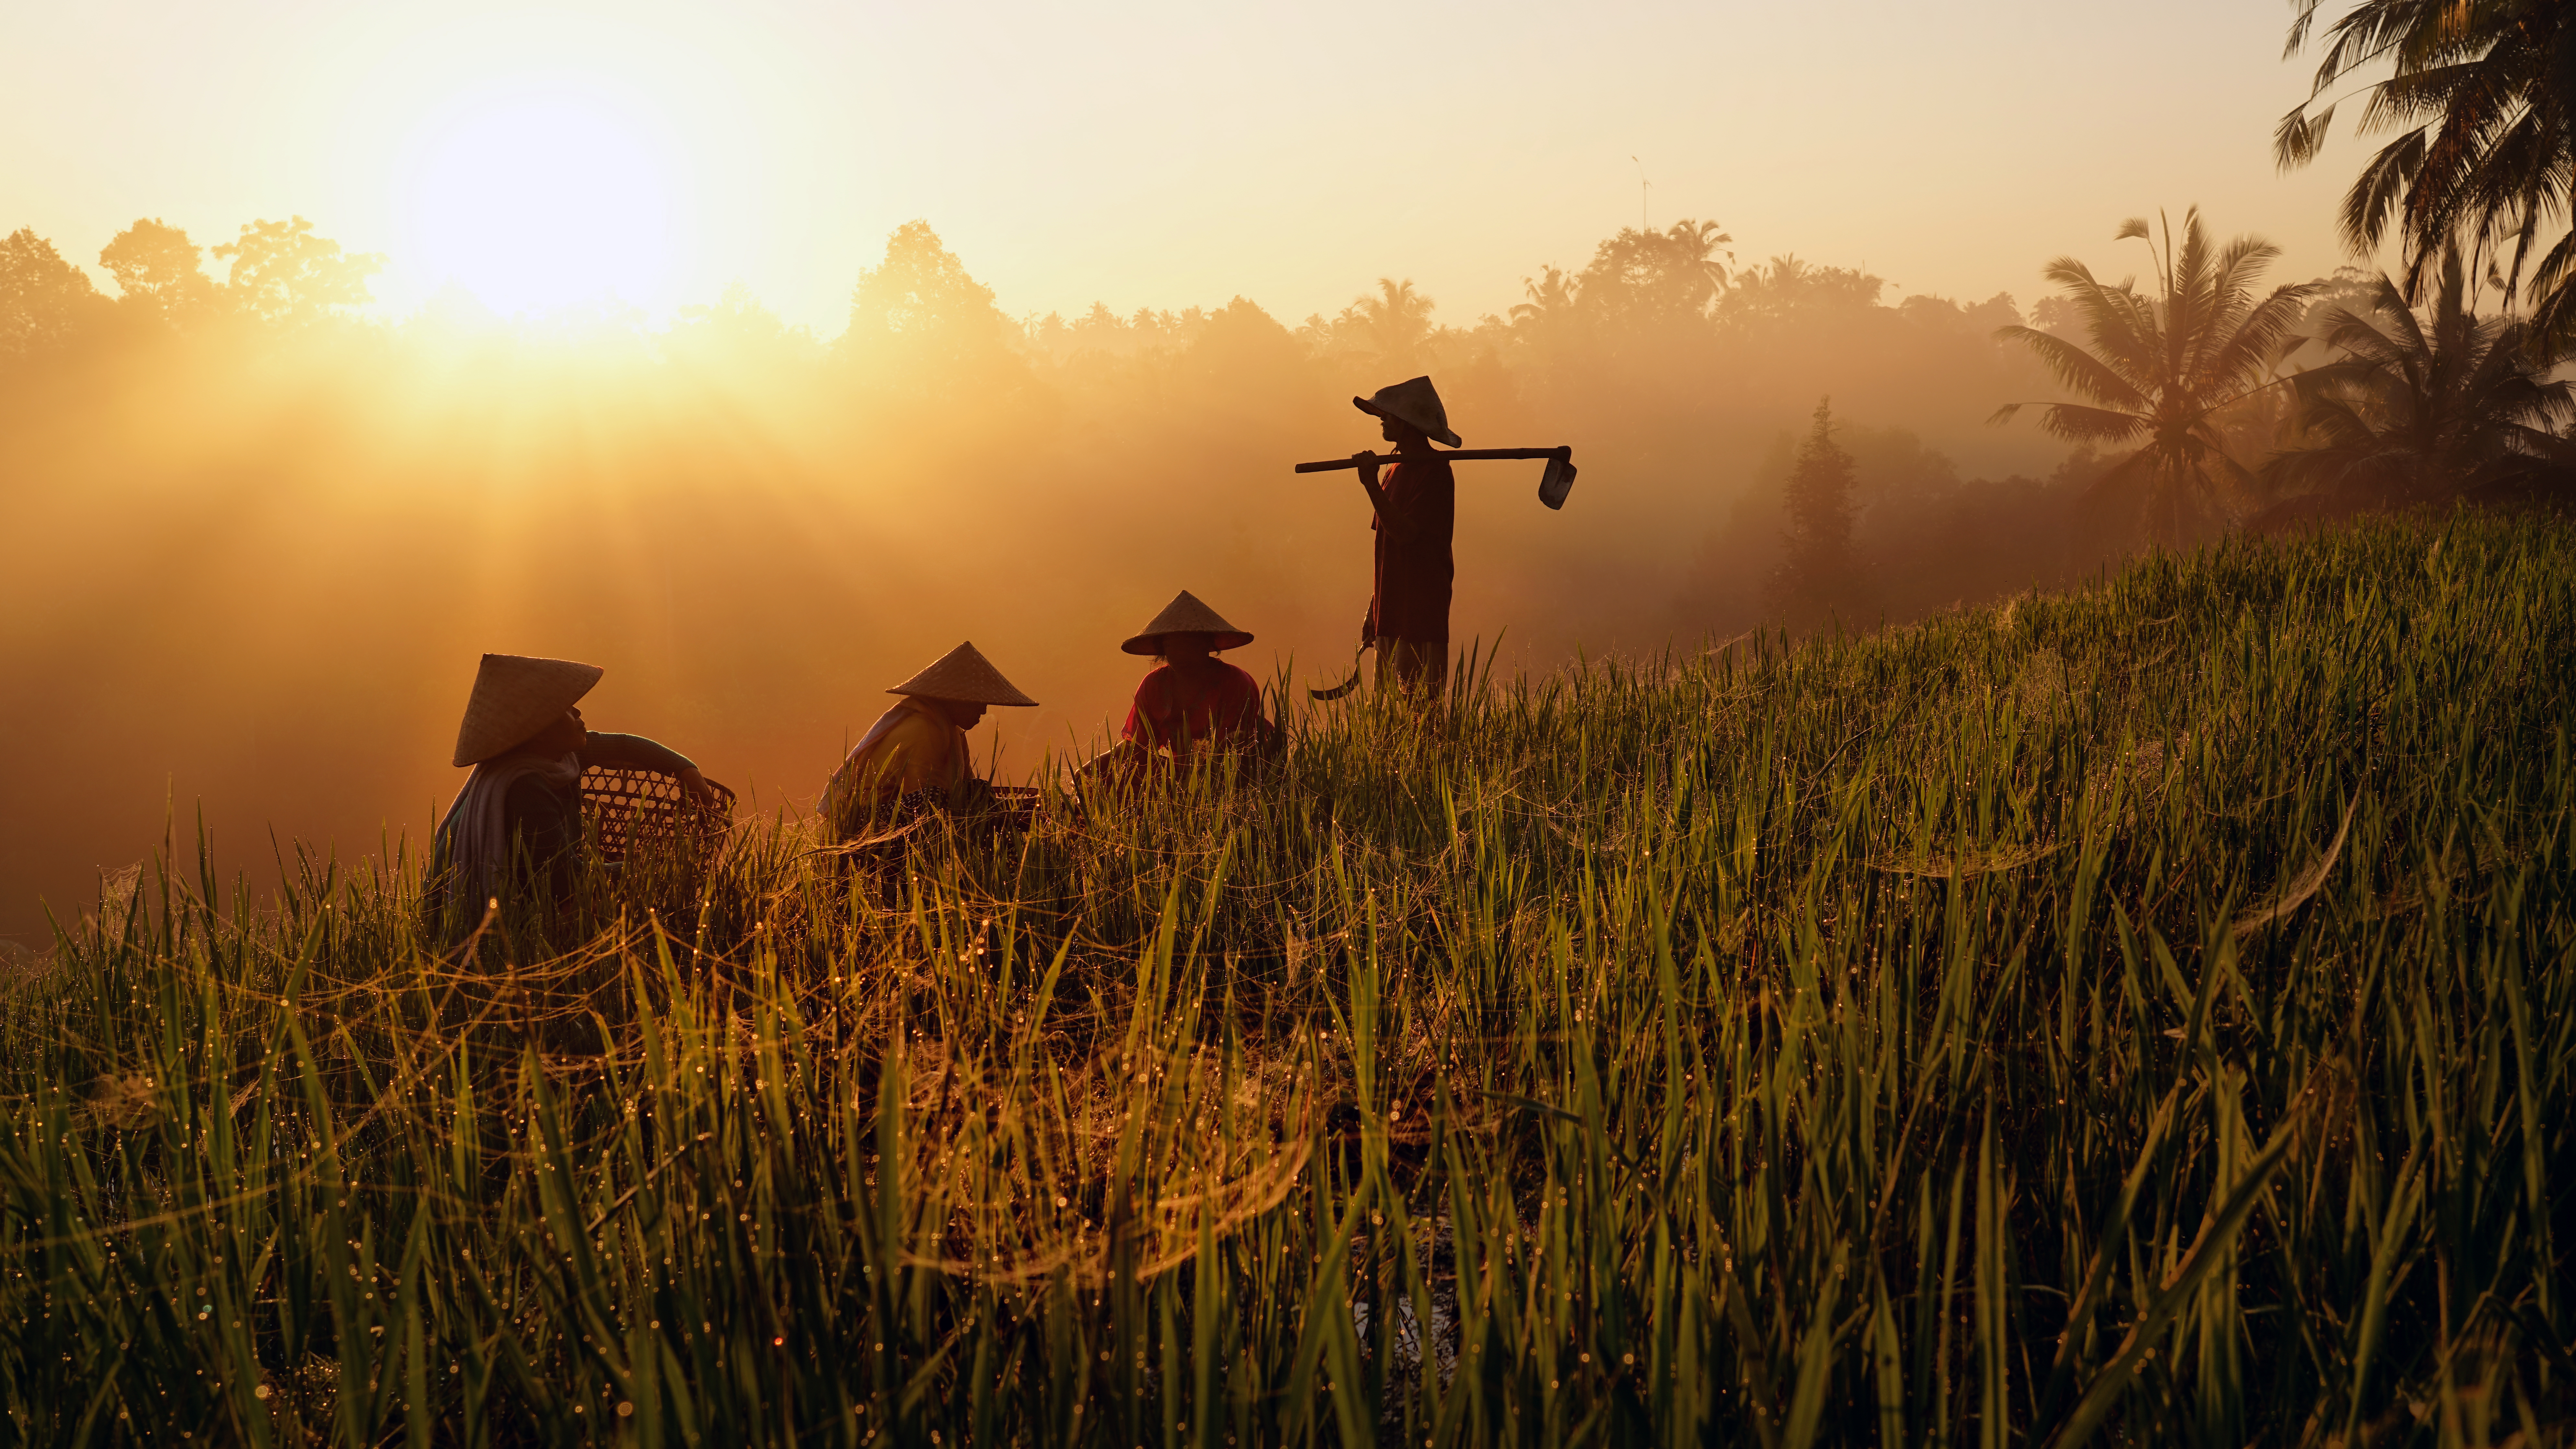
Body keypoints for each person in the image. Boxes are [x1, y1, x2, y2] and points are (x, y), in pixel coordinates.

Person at [430, 653, 719, 928]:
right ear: (537, 728)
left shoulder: (558, 758)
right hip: (473, 907)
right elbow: (567, 879)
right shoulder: (525, 789)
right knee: (592, 910)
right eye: (565, 709)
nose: (578, 711)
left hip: (535, 881)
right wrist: (646, 865)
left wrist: (686, 770)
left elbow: (624, 745)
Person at [821, 641, 1038, 843]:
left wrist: (1016, 808)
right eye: (977, 702)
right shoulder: (922, 731)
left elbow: (963, 794)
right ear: (953, 700)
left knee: (977, 790)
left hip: (900, 817)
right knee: (934, 799)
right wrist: (1008, 817)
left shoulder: (953, 733)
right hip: (861, 827)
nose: (984, 710)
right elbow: (929, 806)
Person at [1349, 376, 1459, 699]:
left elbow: (1405, 533)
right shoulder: (1393, 469)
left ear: (1407, 422)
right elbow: (1384, 543)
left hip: (1419, 612)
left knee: (1418, 713)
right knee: (1387, 714)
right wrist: (1375, 608)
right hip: (1391, 611)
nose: (1381, 419)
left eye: (1388, 414)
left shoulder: (1434, 471)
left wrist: (1369, 484)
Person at [1105, 591, 1279, 778]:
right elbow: (1138, 748)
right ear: (1163, 649)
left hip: (1234, 776)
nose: (1181, 653)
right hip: (1177, 775)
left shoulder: (1235, 682)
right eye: (1172, 645)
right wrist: (1092, 768)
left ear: (1206, 645)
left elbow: (1233, 751)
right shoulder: (1154, 685)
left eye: (1189, 644)